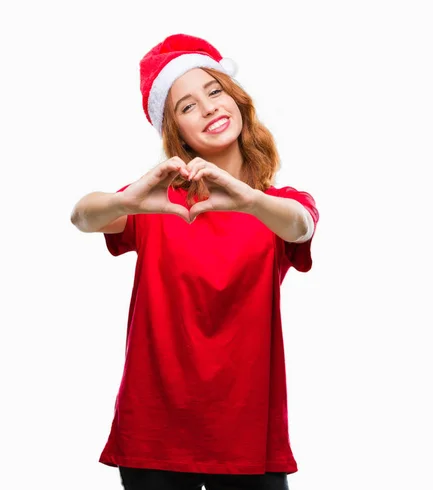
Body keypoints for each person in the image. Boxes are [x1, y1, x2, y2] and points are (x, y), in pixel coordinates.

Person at [70, 33, 319, 490]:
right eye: (186, 106)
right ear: (176, 132)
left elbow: (300, 225)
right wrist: (128, 202)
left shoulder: (278, 205)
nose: (207, 109)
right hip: (155, 431)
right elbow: (82, 216)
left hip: (248, 434)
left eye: (214, 91)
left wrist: (249, 198)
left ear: (237, 100)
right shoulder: (156, 203)